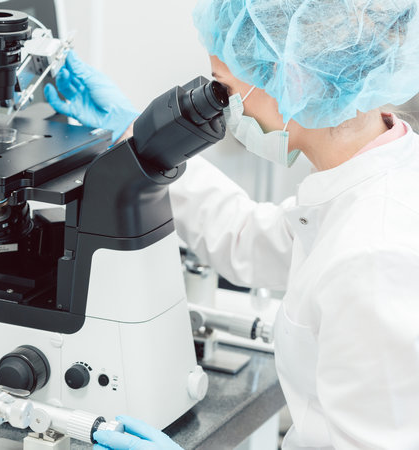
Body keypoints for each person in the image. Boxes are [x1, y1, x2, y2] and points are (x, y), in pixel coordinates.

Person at [44, 0, 419, 448]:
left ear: (292, 77)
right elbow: (253, 240)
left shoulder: (375, 255)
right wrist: (138, 137)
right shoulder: (372, 179)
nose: (223, 108)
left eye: (223, 89)